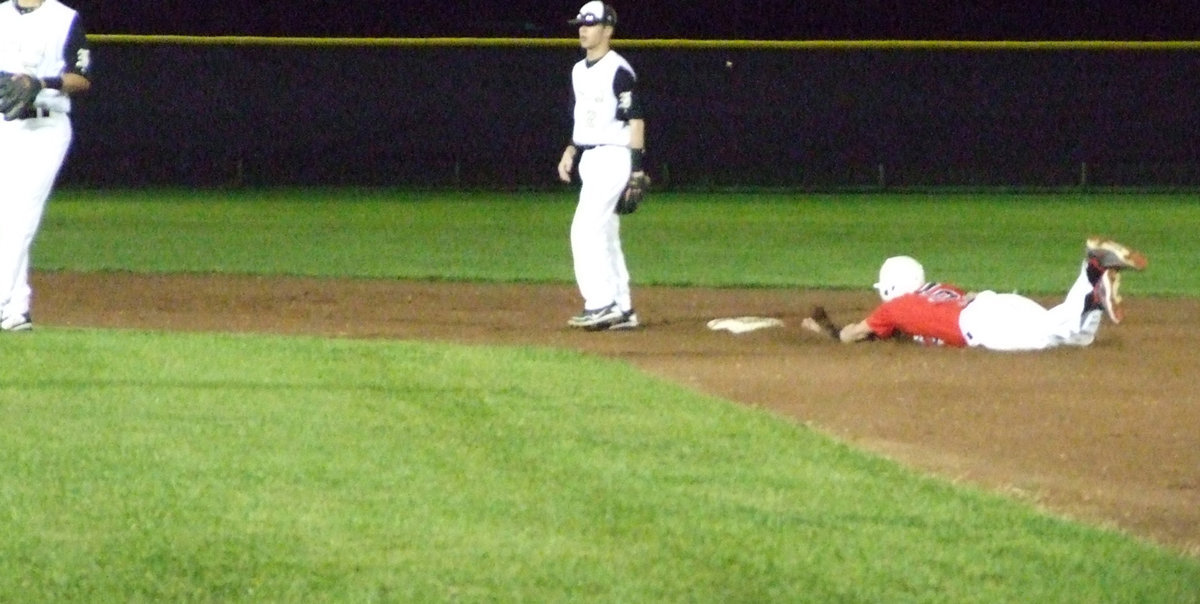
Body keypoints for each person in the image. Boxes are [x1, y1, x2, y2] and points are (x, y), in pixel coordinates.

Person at [802, 238, 1148, 351]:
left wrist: (824, 331)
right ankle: (1094, 285)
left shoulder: (894, 309)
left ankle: (1093, 269)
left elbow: (851, 335)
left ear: (890, 288)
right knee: (1073, 335)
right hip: (993, 301)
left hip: (982, 325)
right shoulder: (939, 289)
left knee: (1049, 334)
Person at [0, 0, 91, 332]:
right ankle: (15, 310)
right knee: (5, 216)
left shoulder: (65, 18)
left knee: (21, 215)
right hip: (4, 126)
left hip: (46, 127)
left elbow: (81, 78)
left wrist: (42, 82)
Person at [556, 1, 645, 331]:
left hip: (613, 155)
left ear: (608, 30)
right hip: (590, 156)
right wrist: (570, 148)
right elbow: (582, 119)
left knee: (584, 229)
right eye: (581, 23)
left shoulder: (619, 70)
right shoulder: (579, 71)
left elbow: (636, 121)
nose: (583, 29)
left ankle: (600, 303)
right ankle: (622, 307)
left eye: (590, 24)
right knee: (605, 234)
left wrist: (636, 169)